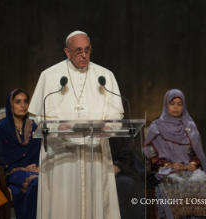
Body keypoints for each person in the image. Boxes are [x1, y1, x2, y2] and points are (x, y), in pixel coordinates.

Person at [28, 31, 124, 219]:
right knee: (62, 205)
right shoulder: (50, 76)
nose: (84, 55)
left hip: (94, 153)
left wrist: (108, 127)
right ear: (67, 51)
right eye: (78, 51)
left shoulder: (104, 75)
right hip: (62, 154)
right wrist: (56, 126)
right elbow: (38, 117)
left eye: (87, 50)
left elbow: (117, 113)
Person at [144, 89, 206, 219]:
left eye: (179, 103)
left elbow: (197, 153)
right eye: (172, 103)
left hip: (188, 169)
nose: (176, 107)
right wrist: (169, 165)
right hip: (167, 170)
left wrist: (194, 163)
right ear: (166, 105)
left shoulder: (189, 126)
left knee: (201, 180)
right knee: (176, 182)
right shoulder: (156, 126)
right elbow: (150, 154)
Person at [0, 89, 41, 219]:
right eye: (18, 102)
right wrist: (23, 168)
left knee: (47, 180)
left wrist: (37, 166)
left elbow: (40, 150)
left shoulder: (34, 125)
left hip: (33, 168)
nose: (23, 105)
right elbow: (0, 156)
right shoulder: (1, 127)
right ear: (10, 104)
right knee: (35, 181)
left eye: (25, 101)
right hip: (10, 171)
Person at [109, 137, 160, 219]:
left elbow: (126, 153)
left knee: (128, 184)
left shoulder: (115, 136)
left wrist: (118, 166)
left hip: (120, 172)